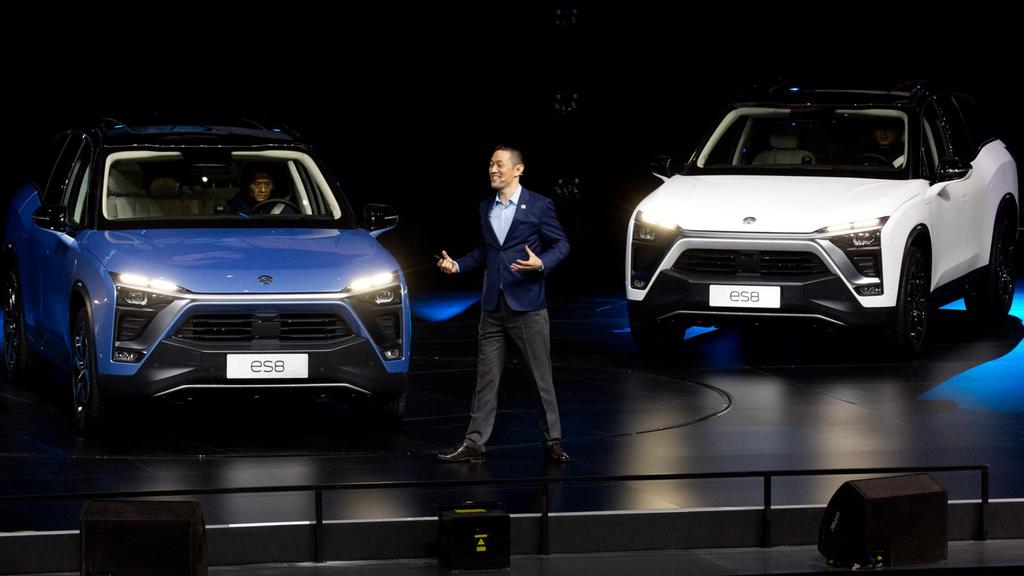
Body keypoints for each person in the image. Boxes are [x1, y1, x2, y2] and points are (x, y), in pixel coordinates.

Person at [436, 145, 571, 463]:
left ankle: (552, 439)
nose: (493, 170)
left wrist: (541, 263)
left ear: (518, 169)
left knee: (540, 377)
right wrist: (457, 265)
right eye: (490, 165)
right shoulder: (486, 207)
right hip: (492, 307)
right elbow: (485, 252)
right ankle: (474, 443)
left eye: (499, 164)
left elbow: (562, 243)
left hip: (527, 306)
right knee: (486, 378)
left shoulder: (539, 205)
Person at [225, 169, 296, 215]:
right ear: (247, 185)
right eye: (257, 184)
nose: (263, 190)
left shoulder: (283, 208)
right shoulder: (234, 207)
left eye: (267, 184)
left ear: (273, 186)